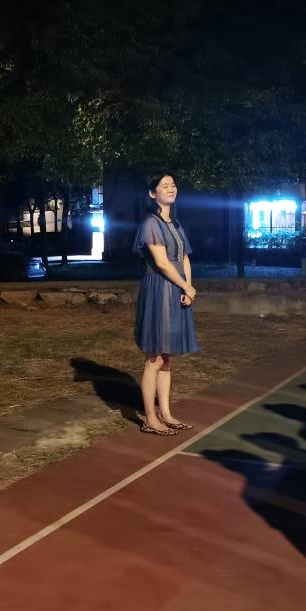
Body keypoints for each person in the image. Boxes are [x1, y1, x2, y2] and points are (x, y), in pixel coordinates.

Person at [132, 173, 199, 435]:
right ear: (152, 193)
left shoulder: (176, 223)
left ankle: (166, 413)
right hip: (159, 289)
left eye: (173, 185)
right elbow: (161, 262)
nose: (171, 189)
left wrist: (188, 287)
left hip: (176, 288)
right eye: (164, 186)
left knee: (167, 357)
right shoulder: (151, 223)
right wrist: (185, 286)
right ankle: (150, 418)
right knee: (155, 357)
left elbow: (184, 258)